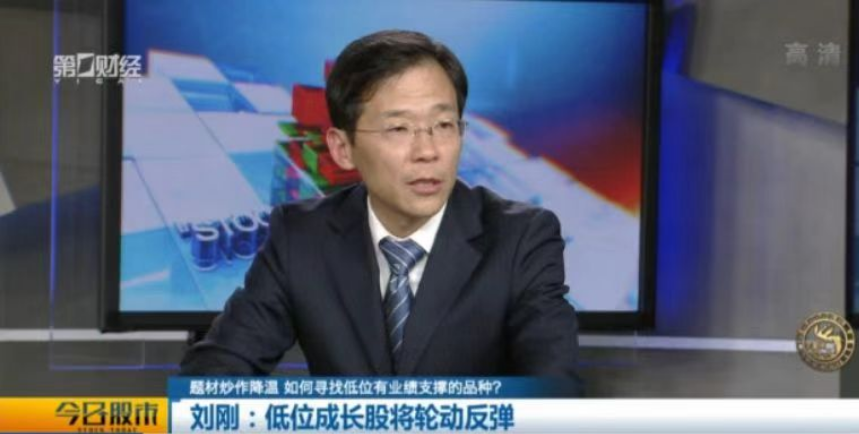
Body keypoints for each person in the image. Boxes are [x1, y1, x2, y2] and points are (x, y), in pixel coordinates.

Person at [180, 30, 581, 380]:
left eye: (444, 125)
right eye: (399, 128)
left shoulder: (521, 239)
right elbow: (216, 373)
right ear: (342, 148)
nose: (428, 151)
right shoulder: (301, 238)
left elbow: (552, 394)